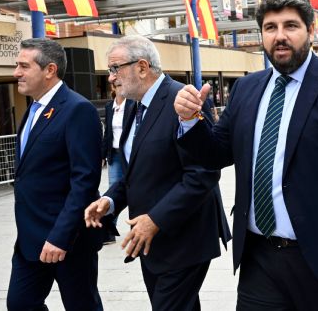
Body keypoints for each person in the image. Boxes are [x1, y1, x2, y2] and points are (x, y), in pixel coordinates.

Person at [174, 0, 318, 310]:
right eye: (270, 28)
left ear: (310, 31)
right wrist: (191, 121)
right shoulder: (247, 88)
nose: (280, 36)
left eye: (291, 26)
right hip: (259, 260)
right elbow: (217, 153)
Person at [84, 35, 230, 311]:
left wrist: (156, 219)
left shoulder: (184, 100)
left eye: (115, 69)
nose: (111, 78)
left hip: (186, 238)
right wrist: (111, 199)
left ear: (142, 67)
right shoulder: (132, 105)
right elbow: (136, 169)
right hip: (152, 242)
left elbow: (204, 174)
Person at [8, 38, 105, 311]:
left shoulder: (77, 109)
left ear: (49, 70)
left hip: (67, 238)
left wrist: (60, 236)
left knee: (81, 305)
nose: (16, 72)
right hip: (30, 238)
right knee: (20, 303)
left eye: (23, 66)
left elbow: (84, 181)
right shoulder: (33, 110)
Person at [100, 82, 134, 244]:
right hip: (114, 154)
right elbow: (107, 132)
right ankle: (109, 229)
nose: (117, 86)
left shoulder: (132, 104)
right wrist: (103, 154)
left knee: (132, 189)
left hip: (129, 154)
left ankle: (135, 225)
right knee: (113, 190)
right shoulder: (109, 106)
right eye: (114, 85)